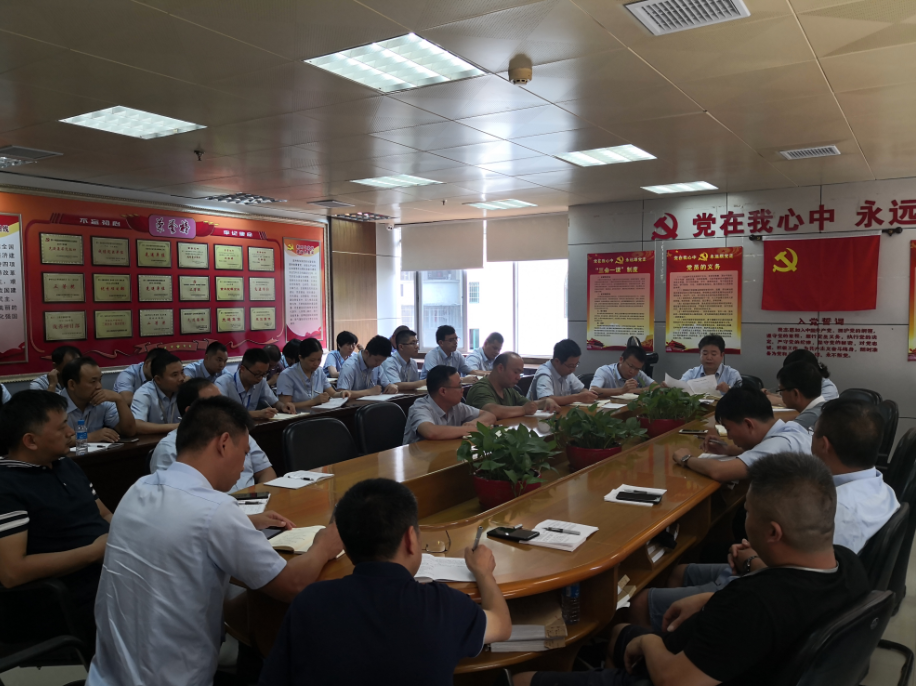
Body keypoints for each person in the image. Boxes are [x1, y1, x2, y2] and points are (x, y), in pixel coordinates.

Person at [515, 452, 869, 686]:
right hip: (733, 656)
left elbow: (675, 681)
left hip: (673, 671)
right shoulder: (847, 564)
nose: (745, 521)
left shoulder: (750, 604)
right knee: (621, 630)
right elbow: (788, 589)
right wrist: (709, 598)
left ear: (773, 533)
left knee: (522, 680)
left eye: (748, 512)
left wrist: (650, 643)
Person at [87, 397, 343, 686]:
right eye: (244, 453)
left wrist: (243, 523)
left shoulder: (138, 489)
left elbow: (182, 529)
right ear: (223, 443)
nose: (243, 466)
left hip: (107, 676)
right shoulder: (215, 509)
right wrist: (325, 544)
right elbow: (291, 585)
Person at [632, 399, 897, 632]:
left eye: (814, 433)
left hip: (774, 599)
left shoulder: (840, 511)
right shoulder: (882, 489)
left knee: (642, 602)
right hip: (782, 579)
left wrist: (750, 561)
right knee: (679, 572)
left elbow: (805, 586)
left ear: (824, 445)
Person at [261, 478, 512, 686]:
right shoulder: (444, 606)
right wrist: (483, 573)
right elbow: (501, 625)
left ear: (346, 547)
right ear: (411, 539)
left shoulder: (310, 602)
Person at [0, 391, 112, 642]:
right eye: (62, 427)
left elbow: (104, 514)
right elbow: (12, 571)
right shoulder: (7, 486)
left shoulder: (66, 464)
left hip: (110, 573)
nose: (71, 432)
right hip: (68, 598)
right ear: (30, 441)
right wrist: (93, 552)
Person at [150, 378, 278, 491]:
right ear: (191, 412)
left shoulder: (238, 432)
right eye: (215, 405)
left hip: (251, 502)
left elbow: (265, 471)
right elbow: (175, 498)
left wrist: (260, 498)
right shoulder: (168, 448)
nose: (224, 409)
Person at [672, 385, 811, 482]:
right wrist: (726, 449)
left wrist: (686, 458)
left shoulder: (777, 447)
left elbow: (719, 471)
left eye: (728, 429)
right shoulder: (791, 428)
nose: (729, 436)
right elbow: (759, 451)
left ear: (749, 424)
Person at [403, 366, 496, 444]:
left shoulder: (456, 406)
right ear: (443, 391)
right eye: (459, 386)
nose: (463, 390)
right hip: (417, 458)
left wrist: (475, 423)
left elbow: (489, 415)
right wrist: (470, 429)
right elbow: (430, 432)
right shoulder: (420, 408)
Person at [61, 357, 136, 443]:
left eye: (100, 380)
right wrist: (90, 437)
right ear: (72, 385)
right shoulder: (54, 406)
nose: (99, 386)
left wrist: (119, 399)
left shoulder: (102, 401)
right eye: (93, 381)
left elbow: (130, 431)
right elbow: (56, 441)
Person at [467, 352, 560, 419]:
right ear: (500, 368)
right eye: (516, 372)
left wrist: (545, 402)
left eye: (520, 373)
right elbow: (491, 410)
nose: (519, 378)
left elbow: (529, 405)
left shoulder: (508, 389)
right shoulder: (480, 388)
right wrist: (523, 410)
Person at [215, 348, 296, 418]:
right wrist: (258, 414)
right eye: (257, 374)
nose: (260, 378)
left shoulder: (261, 382)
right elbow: (223, 413)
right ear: (242, 369)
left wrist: (283, 406)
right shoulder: (222, 383)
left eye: (264, 374)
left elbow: (274, 402)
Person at [277, 337, 351, 410]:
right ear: (301, 358)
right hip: (297, 416)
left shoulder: (319, 371)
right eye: (312, 360)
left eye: (319, 359)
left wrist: (341, 394)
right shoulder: (287, 375)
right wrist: (313, 402)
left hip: (318, 413)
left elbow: (333, 394)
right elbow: (286, 406)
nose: (316, 363)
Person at [527, 339, 598, 406]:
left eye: (576, 365)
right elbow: (546, 400)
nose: (573, 370)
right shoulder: (544, 374)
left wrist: (587, 393)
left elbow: (581, 389)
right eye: (571, 366)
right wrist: (577, 398)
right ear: (557, 361)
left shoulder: (567, 372)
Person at [130, 352, 186, 434]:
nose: (181, 378)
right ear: (158, 379)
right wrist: (177, 426)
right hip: (154, 440)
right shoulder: (144, 393)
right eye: (175, 375)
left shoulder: (185, 389)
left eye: (182, 372)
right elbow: (137, 425)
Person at [773, 361, 826, 430]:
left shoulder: (806, 420)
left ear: (795, 393)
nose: (781, 394)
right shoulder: (825, 408)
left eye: (781, 391)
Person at [591, 346, 657, 397]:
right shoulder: (604, 371)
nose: (632, 371)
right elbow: (593, 390)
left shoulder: (639, 373)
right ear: (621, 360)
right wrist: (622, 390)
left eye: (637, 369)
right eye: (630, 366)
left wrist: (631, 391)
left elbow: (656, 386)